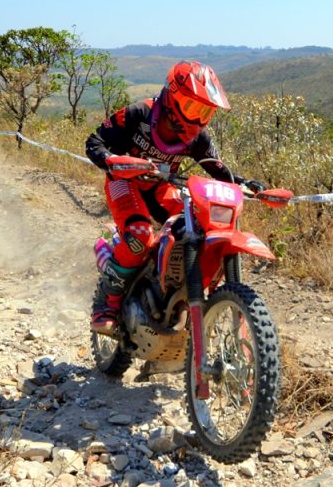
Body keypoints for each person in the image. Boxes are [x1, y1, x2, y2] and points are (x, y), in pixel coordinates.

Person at [85, 60, 265, 336]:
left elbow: (220, 171)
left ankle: (177, 293)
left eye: (205, 111)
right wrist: (112, 160)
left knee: (197, 227)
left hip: (160, 188)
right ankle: (106, 305)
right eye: (192, 107)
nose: (197, 119)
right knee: (139, 235)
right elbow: (95, 142)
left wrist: (246, 185)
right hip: (124, 182)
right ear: (172, 98)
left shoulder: (198, 139)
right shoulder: (139, 114)